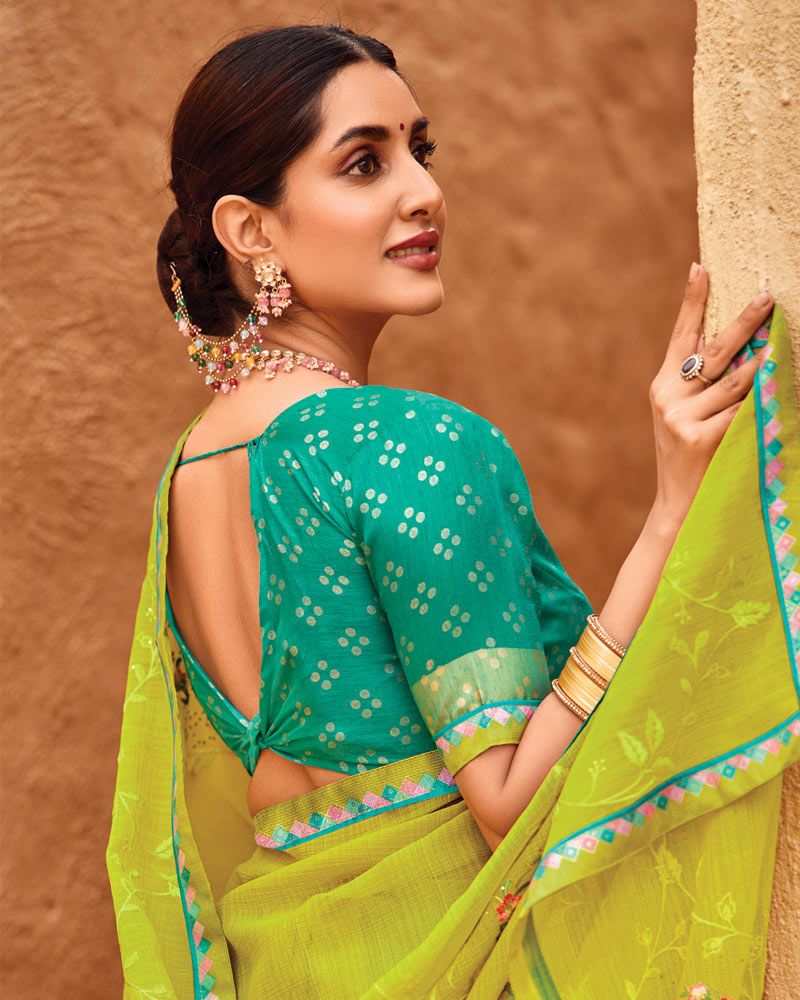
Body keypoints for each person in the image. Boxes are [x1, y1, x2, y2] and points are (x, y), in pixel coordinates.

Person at [106, 23, 799, 1000]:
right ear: (250, 230)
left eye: (419, 150)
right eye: (364, 163)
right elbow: (507, 796)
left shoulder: (191, 470)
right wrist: (671, 516)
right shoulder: (404, 443)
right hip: (451, 961)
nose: (423, 191)